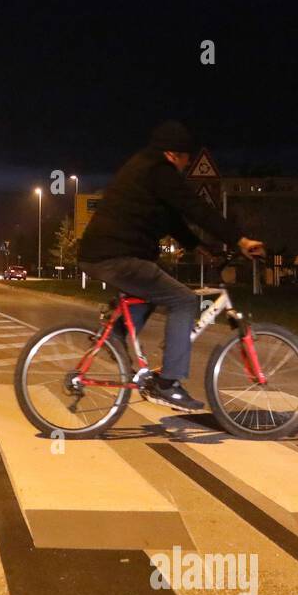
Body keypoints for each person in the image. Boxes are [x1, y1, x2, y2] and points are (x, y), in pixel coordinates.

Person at [77, 120, 266, 412]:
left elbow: (170, 219)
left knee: (153, 289)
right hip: (117, 256)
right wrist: (239, 240)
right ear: (173, 154)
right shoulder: (159, 172)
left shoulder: (143, 167)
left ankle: (115, 336)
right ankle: (168, 384)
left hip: (104, 253)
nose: (187, 164)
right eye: (186, 158)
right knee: (184, 300)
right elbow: (196, 209)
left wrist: (198, 247)